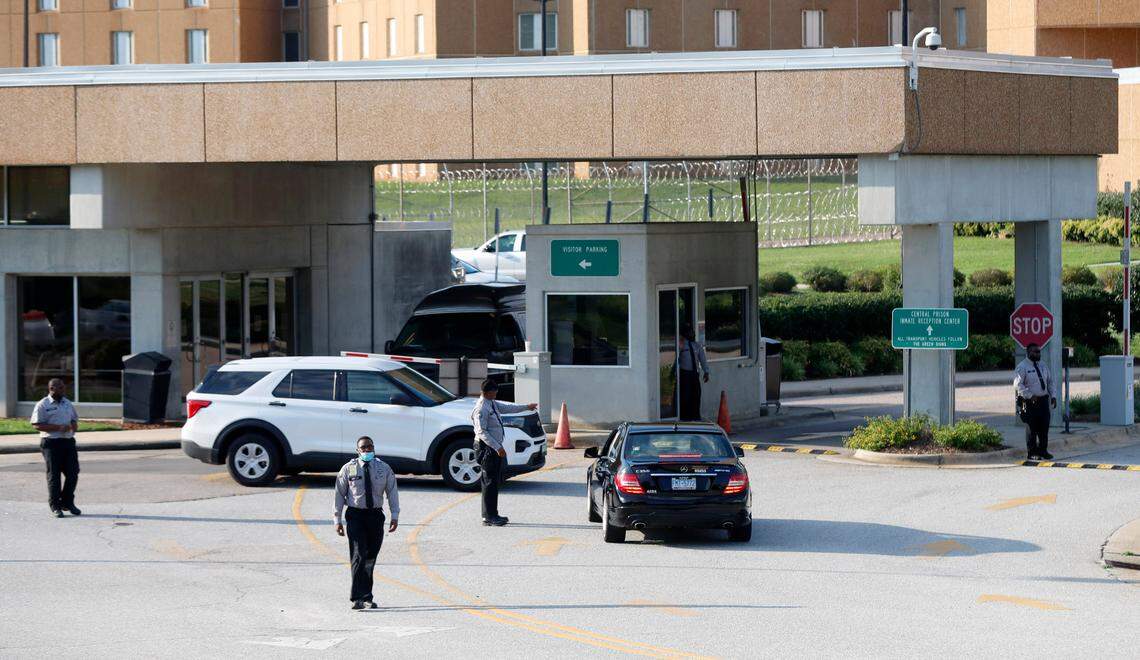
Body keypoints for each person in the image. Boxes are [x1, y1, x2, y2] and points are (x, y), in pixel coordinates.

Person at [334, 436, 399, 610]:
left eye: (370, 447)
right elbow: (339, 494)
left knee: (370, 556)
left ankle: (367, 596)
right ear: (357, 450)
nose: (367, 450)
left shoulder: (383, 468)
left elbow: (392, 491)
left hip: (375, 516)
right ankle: (357, 597)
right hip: (355, 516)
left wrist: (395, 515)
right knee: (358, 555)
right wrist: (337, 519)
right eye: (363, 448)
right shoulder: (348, 469)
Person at [471, 379, 538, 526]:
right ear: (487, 392)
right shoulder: (481, 408)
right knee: (489, 482)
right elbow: (481, 431)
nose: (496, 393)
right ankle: (489, 517)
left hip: (492, 447)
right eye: (494, 391)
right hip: (486, 448)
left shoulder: (492, 403)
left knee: (493, 481)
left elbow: (507, 408)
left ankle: (492, 514)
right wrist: (497, 447)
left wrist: (526, 407)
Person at [30, 378, 81, 518]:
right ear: (52, 389)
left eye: (64, 388)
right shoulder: (43, 404)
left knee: (73, 473)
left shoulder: (67, 403)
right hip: (51, 443)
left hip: (68, 442)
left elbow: (74, 419)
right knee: (54, 476)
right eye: (61, 388)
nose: (64, 390)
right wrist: (58, 428)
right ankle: (55, 505)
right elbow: (36, 424)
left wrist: (73, 427)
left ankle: (67, 502)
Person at [1014, 343, 1056, 460]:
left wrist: (1053, 396)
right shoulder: (1022, 367)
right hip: (1029, 402)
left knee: (1044, 427)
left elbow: (1050, 382)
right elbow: (1018, 385)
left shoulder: (1042, 365)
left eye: (1039, 351)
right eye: (1035, 352)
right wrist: (1030, 395)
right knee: (1031, 428)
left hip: (1043, 401)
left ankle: (1043, 450)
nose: (1038, 354)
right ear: (1028, 353)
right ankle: (1032, 452)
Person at [678, 324, 710, 421]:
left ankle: (695, 416)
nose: (693, 333)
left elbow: (702, 359)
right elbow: (676, 359)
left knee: (696, 394)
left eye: (693, 332)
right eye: (690, 332)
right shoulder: (682, 345)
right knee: (685, 396)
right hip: (685, 374)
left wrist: (706, 371)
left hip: (694, 374)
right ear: (685, 334)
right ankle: (685, 417)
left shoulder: (697, 345)